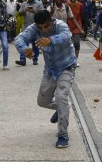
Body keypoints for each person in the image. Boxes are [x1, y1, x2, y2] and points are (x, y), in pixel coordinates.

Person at [14, 10, 77, 148]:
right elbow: (19, 39)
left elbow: (67, 35)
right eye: (40, 27)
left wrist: (51, 39)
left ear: (51, 21)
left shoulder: (60, 25)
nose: (43, 29)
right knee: (42, 101)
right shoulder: (34, 28)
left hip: (66, 67)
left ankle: (63, 135)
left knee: (61, 97)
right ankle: (62, 108)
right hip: (50, 70)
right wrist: (25, 49)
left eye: (46, 26)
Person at [15, 0, 43, 66]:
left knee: (36, 44)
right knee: (23, 43)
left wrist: (34, 11)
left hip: (36, 27)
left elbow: (43, 14)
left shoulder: (39, 3)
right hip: (26, 27)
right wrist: (25, 10)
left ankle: (35, 59)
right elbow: (20, 14)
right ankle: (22, 60)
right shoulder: (24, 4)